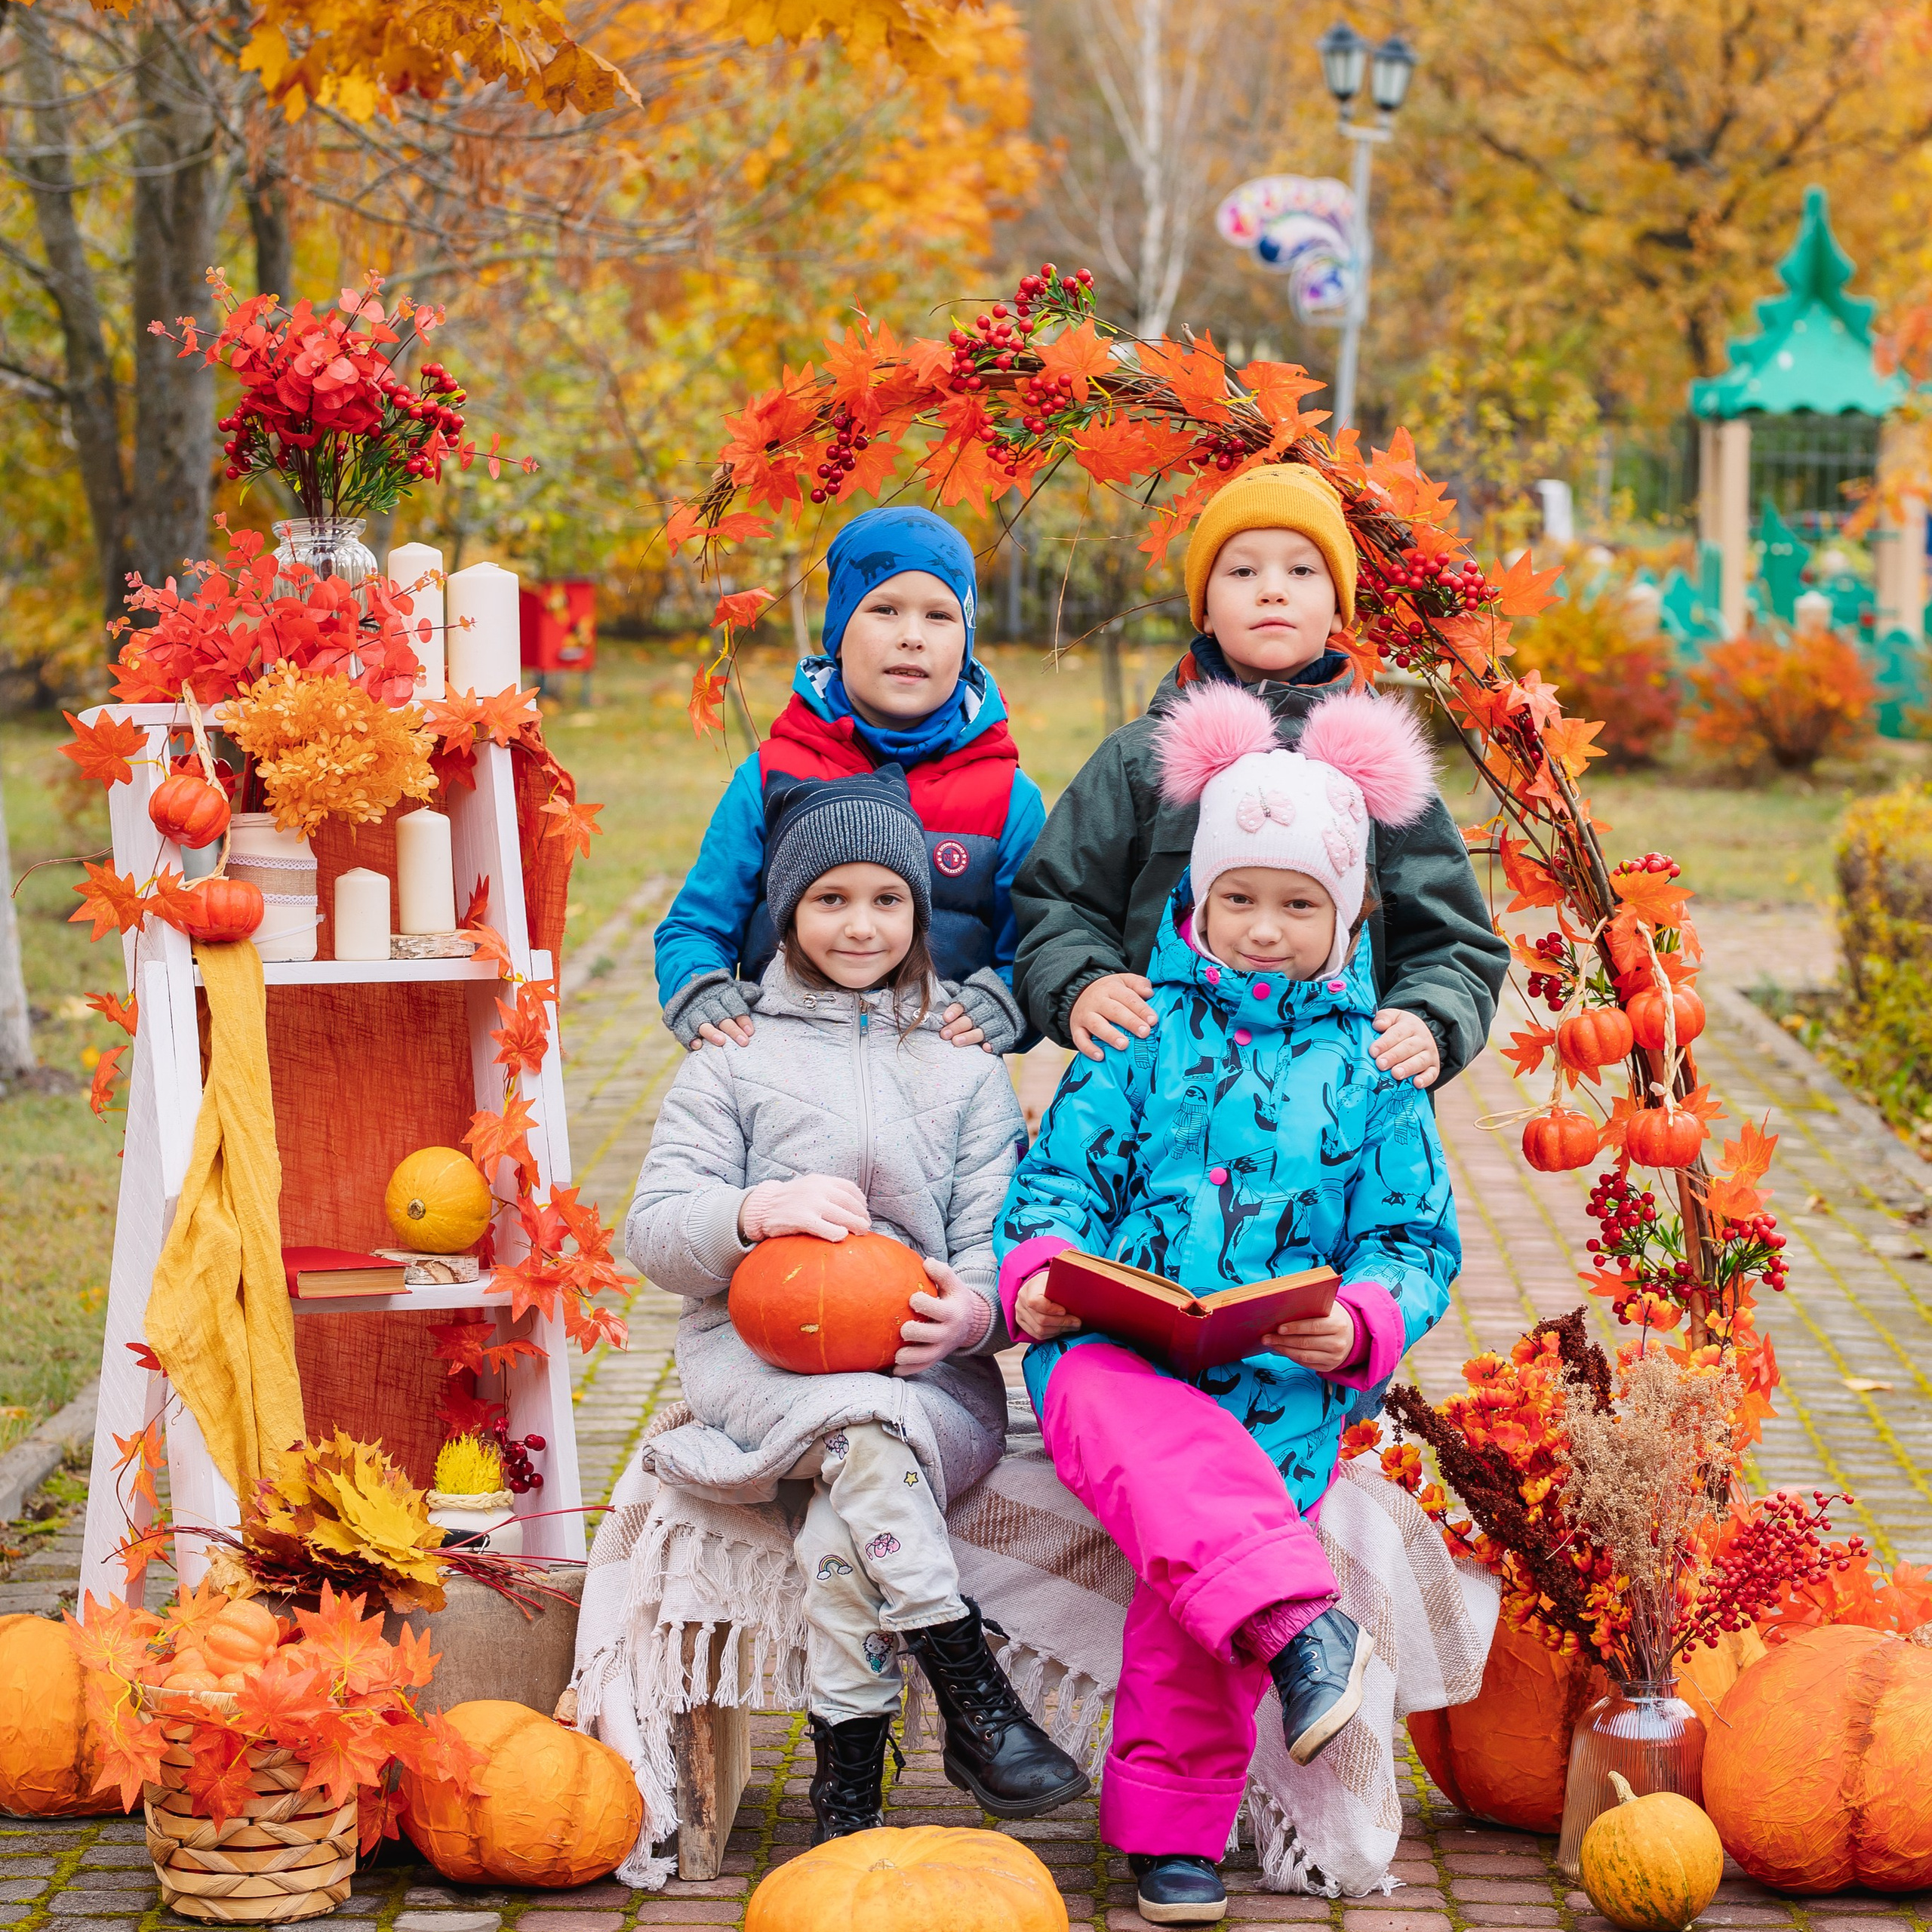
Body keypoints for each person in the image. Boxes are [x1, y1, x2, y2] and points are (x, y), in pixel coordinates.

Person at [995, 681, 1460, 1926]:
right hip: (1112, 1355)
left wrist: (1361, 1320)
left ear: (1348, 910)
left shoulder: (1374, 1073)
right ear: (1197, 900)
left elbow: (1414, 1238)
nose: (1262, 929)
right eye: (1238, 898)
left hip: (1277, 1376)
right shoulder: (1136, 1039)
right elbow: (1053, 1190)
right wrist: (1035, 1276)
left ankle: (1169, 1841)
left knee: (1193, 1552)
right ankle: (1305, 1633)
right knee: (1112, 1405)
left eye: (1296, 904)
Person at [626, 768, 1089, 1844]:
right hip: (764, 1374)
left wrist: (977, 1316)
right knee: (858, 1437)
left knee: (858, 1483)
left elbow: (996, 1241)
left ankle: (847, 1790)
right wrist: (753, 1210)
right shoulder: (731, 1060)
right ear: (787, 910)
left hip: (925, 1383)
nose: (860, 923)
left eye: (886, 899)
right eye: (829, 899)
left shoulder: (966, 1068)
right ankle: (969, 1684)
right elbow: (656, 1231)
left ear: (920, 912)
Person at [1010, 462, 1508, 1088]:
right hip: (1159, 1096)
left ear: (1337, 609)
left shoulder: (1382, 773)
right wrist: (1082, 983)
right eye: (1242, 570)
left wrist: (1428, 1020)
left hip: (1331, 1114)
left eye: (1301, 570)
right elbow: (1059, 899)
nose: (1272, 590)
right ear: (1206, 610)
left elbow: (1452, 938)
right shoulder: (1142, 759)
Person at [654, 506, 1045, 1059]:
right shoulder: (770, 776)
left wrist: (1009, 999)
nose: (912, 637)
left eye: (939, 616)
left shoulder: (1009, 799)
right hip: (787, 1087)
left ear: (966, 640)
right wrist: (701, 989)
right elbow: (695, 927)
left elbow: (1036, 951)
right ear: (838, 629)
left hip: (939, 1094)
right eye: (884, 609)